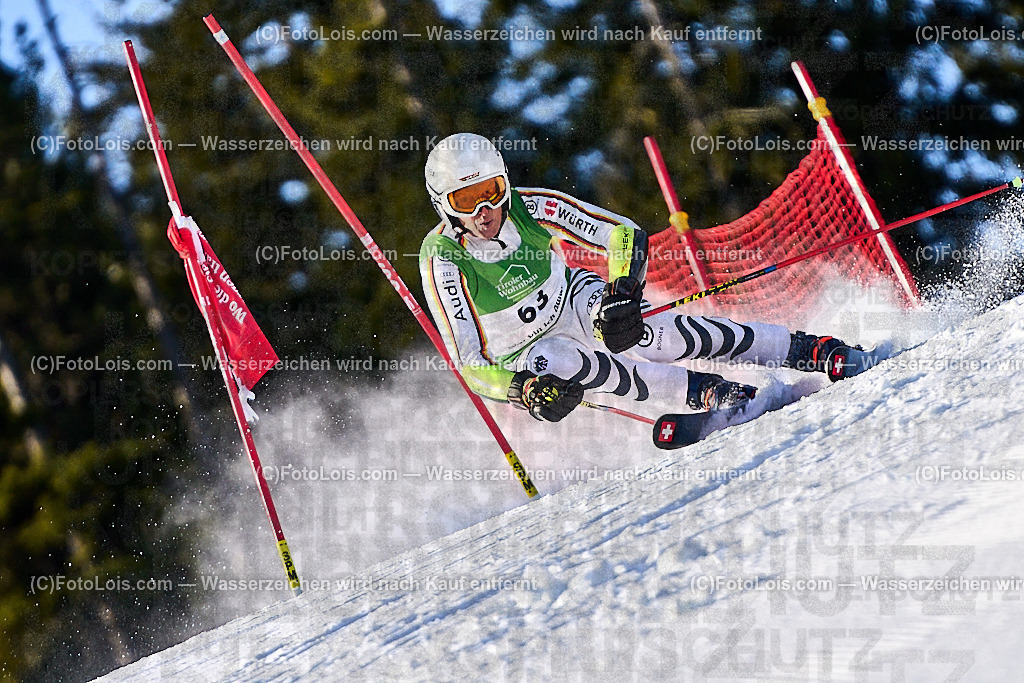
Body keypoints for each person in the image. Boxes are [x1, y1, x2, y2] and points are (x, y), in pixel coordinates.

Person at [419, 133, 862, 422]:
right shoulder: (443, 260)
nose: (485, 212)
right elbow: (471, 364)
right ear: (443, 204)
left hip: (571, 299)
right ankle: (709, 393)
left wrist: (623, 292)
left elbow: (622, 235)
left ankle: (805, 350)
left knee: (644, 333)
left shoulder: (528, 206)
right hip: (527, 349)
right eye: (466, 200)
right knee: (556, 357)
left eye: (492, 192)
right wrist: (524, 389)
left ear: (505, 182)